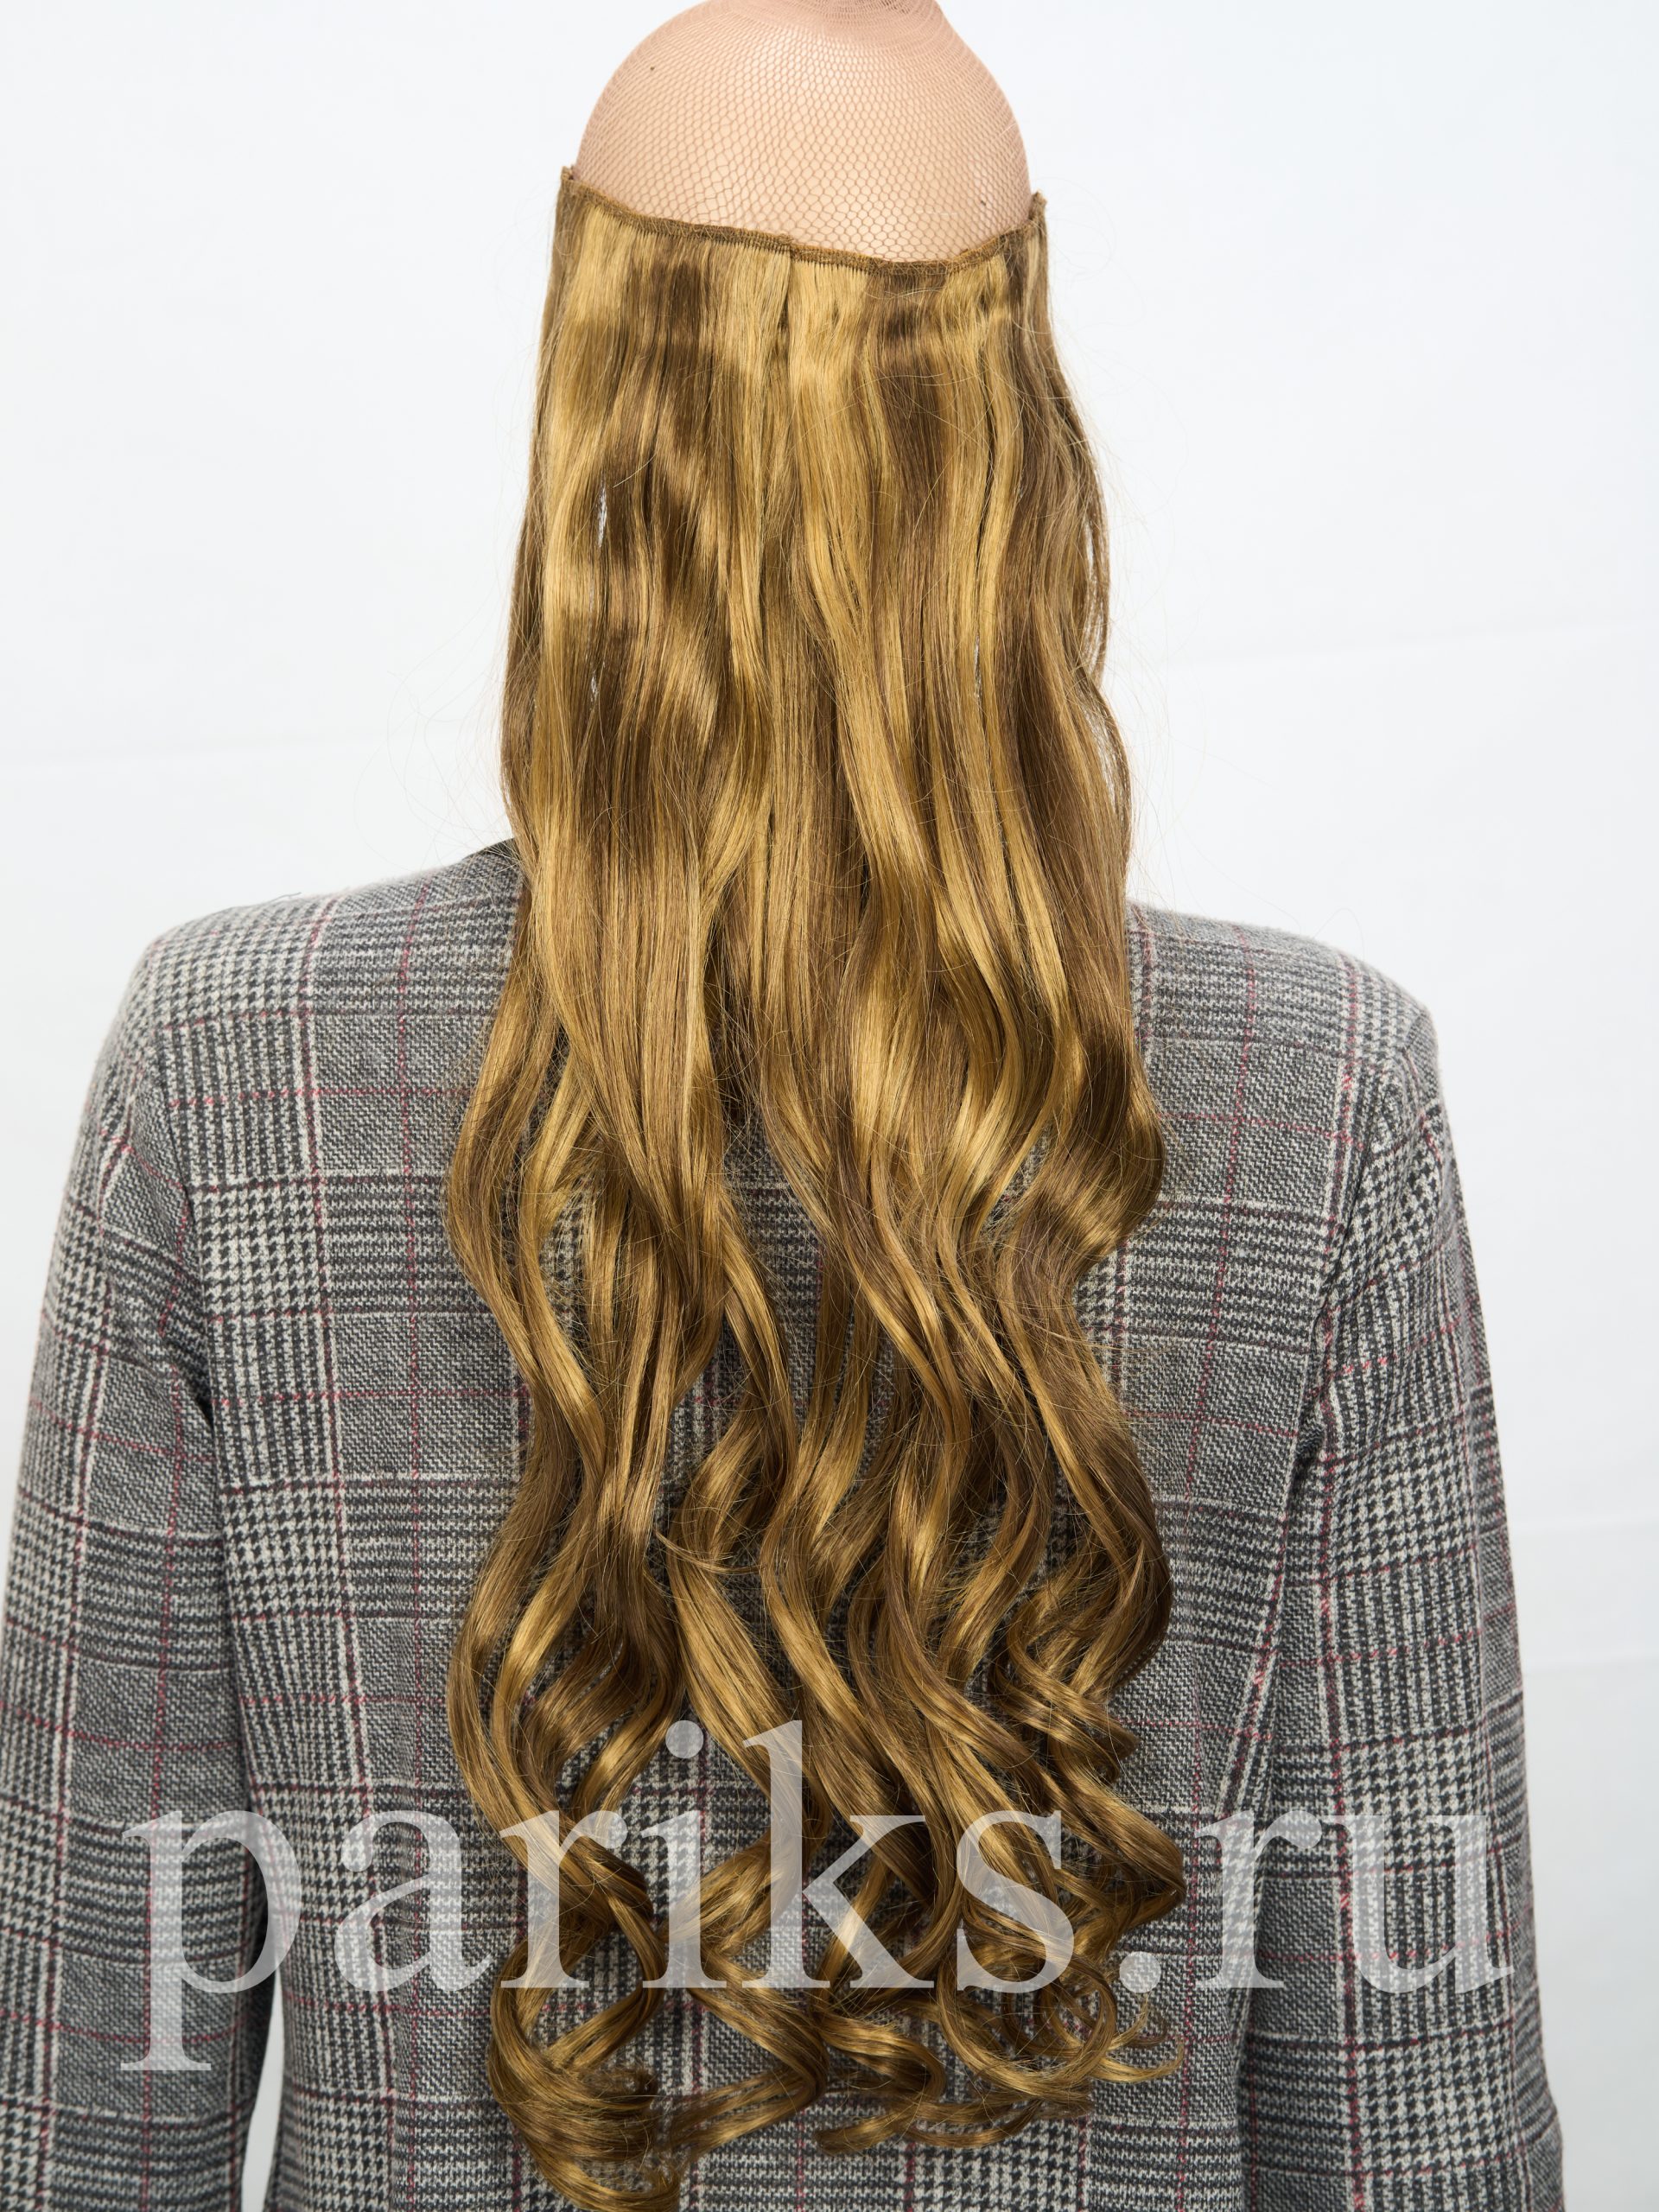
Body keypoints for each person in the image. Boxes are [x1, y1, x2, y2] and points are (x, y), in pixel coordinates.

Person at [0, 3, 1565, 2206]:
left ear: (592, 410)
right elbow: (1417, 2125)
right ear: (1019, 450)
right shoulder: (1315, 1100)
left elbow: (86, 2108)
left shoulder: (230, 1066)